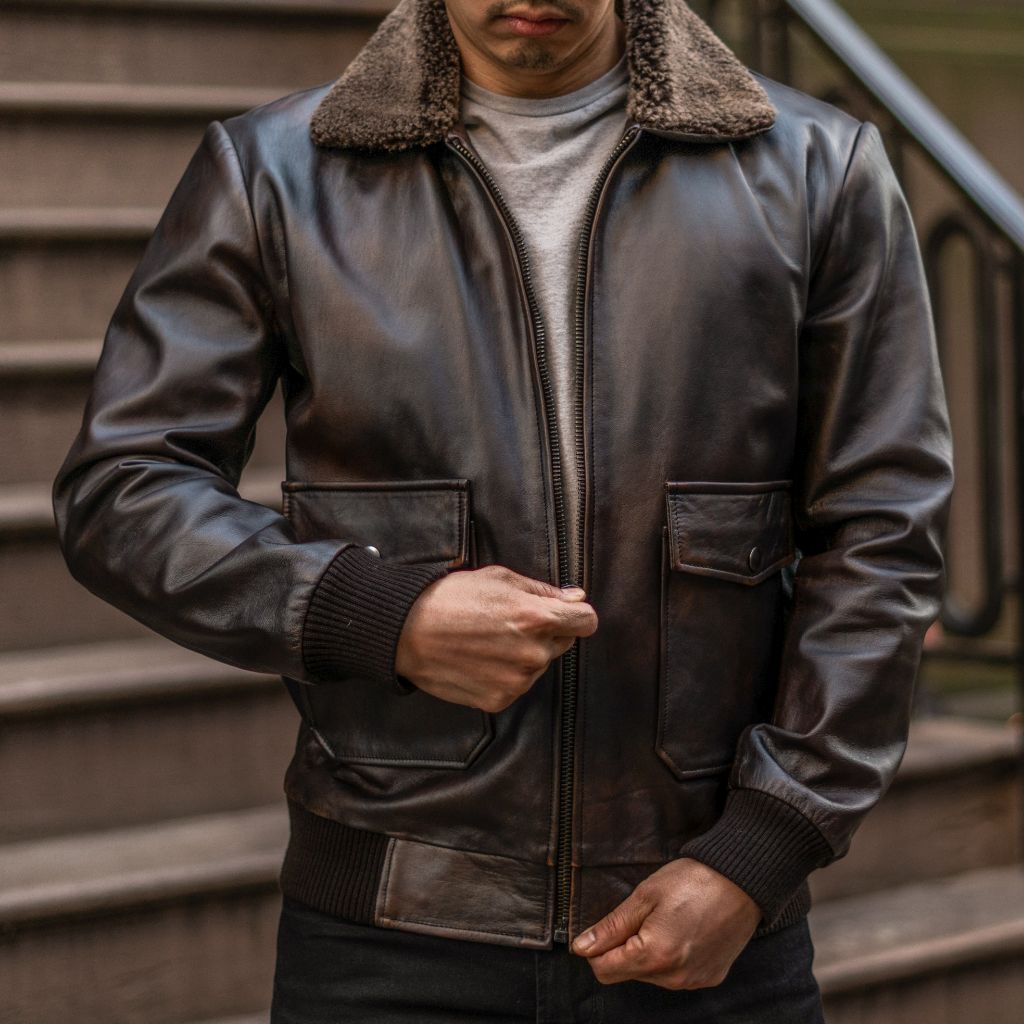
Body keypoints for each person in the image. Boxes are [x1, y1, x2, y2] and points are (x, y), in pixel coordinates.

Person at [52, 0, 954, 1020]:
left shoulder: (819, 168)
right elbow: (125, 487)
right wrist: (379, 614)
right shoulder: (272, 172)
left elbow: (883, 529)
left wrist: (762, 849)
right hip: (387, 935)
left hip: (711, 910)